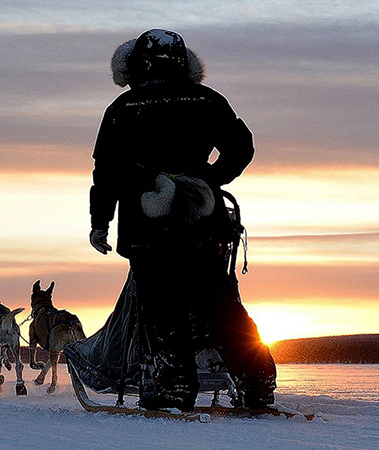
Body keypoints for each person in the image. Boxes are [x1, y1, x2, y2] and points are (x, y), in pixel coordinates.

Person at [88, 29, 270, 411]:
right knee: (219, 303)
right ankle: (257, 377)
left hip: (146, 228)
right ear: (184, 62)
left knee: (160, 308)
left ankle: (175, 385)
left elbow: (105, 172)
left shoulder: (123, 110)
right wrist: (210, 178)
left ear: (135, 65)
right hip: (205, 224)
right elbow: (242, 146)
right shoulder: (207, 101)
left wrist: (100, 222)